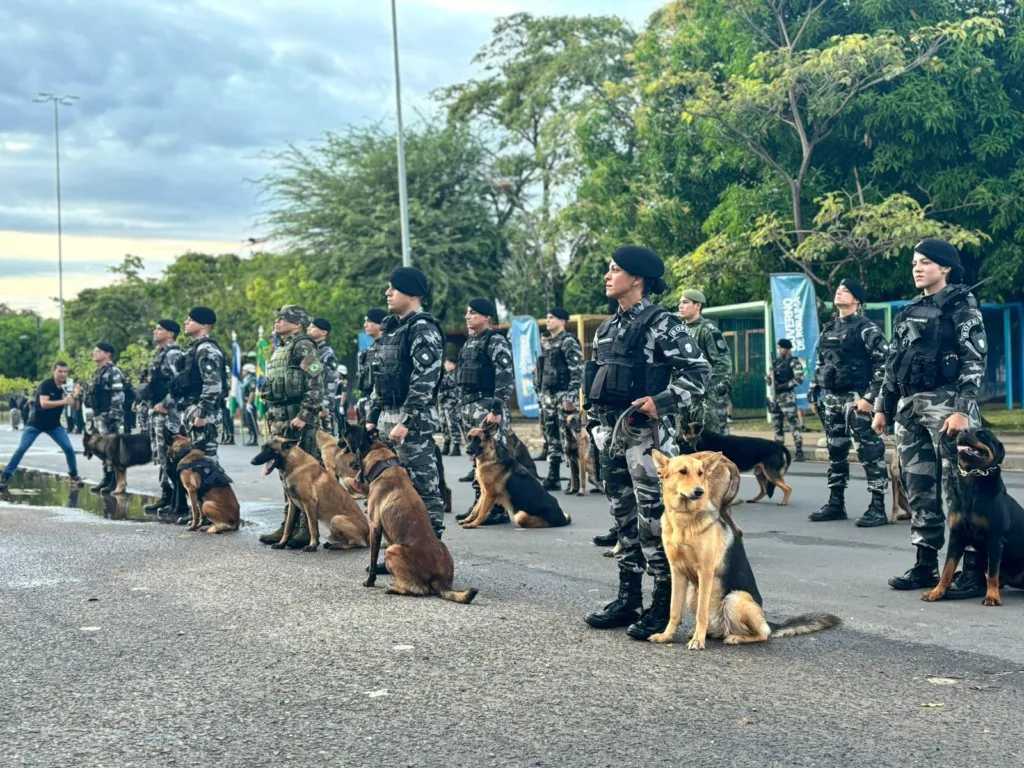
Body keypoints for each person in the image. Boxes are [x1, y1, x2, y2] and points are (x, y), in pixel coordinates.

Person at [583, 245, 710, 640]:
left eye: (615, 269)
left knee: (653, 520)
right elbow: (595, 384)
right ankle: (628, 598)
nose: (607, 275)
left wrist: (662, 401)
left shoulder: (662, 323)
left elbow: (699, 372)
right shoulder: (607, 328)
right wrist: (591, 428)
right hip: (611, 436)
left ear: (636, 279)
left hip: (647, 440)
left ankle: (662, 602)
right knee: (623, 520)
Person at [873, 238, 988, 597]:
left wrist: (961, 410)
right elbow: (894, 363)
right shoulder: (909, 310)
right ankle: (925, 563)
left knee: (961, 489)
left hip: (948, 407)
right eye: (914, 263)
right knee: (917, 485)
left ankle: (971, 571)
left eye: (925, 262)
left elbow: (974, 362)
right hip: (909, 409)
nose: (917, 269)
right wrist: (882, 405)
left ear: (945, 268)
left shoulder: (962, 307)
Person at [365, 267, 447, 539]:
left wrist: (406, 421)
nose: (388, 293)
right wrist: (372, 415)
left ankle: (432, 550)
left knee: (423, 487)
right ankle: (401, 548)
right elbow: (381, 376)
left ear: (412, 294)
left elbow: (425, 379)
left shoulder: (422, 328)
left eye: (394, 288)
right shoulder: (394, 329)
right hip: (388, 417)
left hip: (411, 422)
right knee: (392, 488)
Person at [808, 280, 890, 525]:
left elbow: (885, 364)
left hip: (858, 400)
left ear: (857, 300)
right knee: (836, 452)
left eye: (846, 290)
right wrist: (814, 391)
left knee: (870, 453)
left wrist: (870, 398)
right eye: (838, 289)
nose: (839, 292)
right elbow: (822, 363)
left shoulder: (866, 328)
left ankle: (878, 507)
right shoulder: (829, 328)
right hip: (833, 399)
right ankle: (836, 503)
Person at [257, 305, 325, 548]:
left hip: (298, 421)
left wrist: (305, 415)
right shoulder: (282, 348)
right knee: (287, 476)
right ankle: (289, 523)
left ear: (297, 324)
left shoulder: (303, 345)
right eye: (277, 318)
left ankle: (307, 529)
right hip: (280, 418)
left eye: (283, 319)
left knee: (305, 477)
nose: (277, 322)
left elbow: (316, 382)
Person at [454, 297, 515, 524]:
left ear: (486, 317)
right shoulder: (470, 343)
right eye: (467, 312)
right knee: (476, 460)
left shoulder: (495, 340)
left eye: (473, 313)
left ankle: (497, 509)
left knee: (495, 459)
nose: (468, 316)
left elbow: (505, 374)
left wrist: (497, 408)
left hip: (487, 406)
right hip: (469, 406)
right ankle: (480, 504)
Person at [0, 362, 82, 491]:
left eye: (65, 372)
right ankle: (6, 474)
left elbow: (75, 407)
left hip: (54, 425)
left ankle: (73, 474)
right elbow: (44, 403)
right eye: (59, 371)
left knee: (68, 448)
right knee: (22, 448)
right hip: (36, 423)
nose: (62, 374)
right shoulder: (46, 384)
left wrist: (76, 396)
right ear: (53, 371)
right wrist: (64, 401)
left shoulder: (66, 388)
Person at [139, 319, 184, 513]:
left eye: (160, 329)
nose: (155, 331)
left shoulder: (174, 354)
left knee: (170, 456)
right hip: (156, 411)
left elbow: (179, 383)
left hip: (169, 414)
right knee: (161, 456)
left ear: (171, 333)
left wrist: (166, 404)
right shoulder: (159, 354)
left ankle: (178, 501)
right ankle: (166, 496)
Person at [538, 307, 584, 491]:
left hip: (564, 396)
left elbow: (577, 370)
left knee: (568, 439)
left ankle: (576, 480)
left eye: (551, 318)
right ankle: (553, 475)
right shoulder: (548, 343)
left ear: (562, 321)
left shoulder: (568, 342)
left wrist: (571, 397)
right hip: (548, 397)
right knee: (551, 437)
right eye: (547, 317)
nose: (547, 320)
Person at [677, 289, 732, 435]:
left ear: (698, 306)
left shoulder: (708, 330)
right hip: (681, 394)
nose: (680, 306)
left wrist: (705, 386)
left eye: (685, 302)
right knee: (682, 439)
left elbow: (724, 363)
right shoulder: (678, 331)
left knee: (707, 440)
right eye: (680, 302)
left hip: (702, 399)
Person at [84, 343, 125, 494]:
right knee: (101, 449)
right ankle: (107, 478)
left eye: (98, 351)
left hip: (109, 415)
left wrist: (115, 416)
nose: (94, 353)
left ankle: (114, 480)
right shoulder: (98, 372)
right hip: (98, 414)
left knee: (111, 450)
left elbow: (118, 395)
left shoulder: (113, 371)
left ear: (107, 354)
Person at [767, 339, 806, 461]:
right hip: (775, 397)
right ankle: (778, 452)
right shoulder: (775, 362)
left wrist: (783, 386)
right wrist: (769, 378)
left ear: (787, 349)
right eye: (778, 348)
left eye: (781, 348)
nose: (779, 350)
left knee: (793, 425)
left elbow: (799, 379)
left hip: (787, 397)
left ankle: (799, 451)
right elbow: (769, 382)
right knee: (777, 426)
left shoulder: (794, 362)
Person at [307, 317, 340, 435]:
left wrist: (324, 407)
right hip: (310, 406)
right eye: (309, 326)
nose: (308, 329)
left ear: (323, 332)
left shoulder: (326, 353)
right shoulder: (310, 351)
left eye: (313, 327)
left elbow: (330, 382)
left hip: (322, 409)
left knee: (325, 446)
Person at [355, 308, 387, 423]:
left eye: (369, 321)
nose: (365, 325)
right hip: (369, 405)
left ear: (381, 324)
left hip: (385, 409)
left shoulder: (390, 348)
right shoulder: (369, 351)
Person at [438, 359, 462, 456]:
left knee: (453, 425)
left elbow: (458, 390)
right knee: (443, 425)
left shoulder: (456, 375)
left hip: (451, 403)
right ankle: (446, 445)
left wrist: (445, 393)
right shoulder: (443, 375)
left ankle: (456, 446)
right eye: (445, 363)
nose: (447, 365)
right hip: (442, 404)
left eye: (449, 363)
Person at [241, 363, 259, 445]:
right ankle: (251, 437)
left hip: (250, 403)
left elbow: (252, 392)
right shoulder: (246, 380)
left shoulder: (252, 380)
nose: (242, 371)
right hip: (245, 402)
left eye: (244, 370)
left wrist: (249, 403)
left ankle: (254, 439)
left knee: (251, 421)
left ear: (248, 371)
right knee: (247, 421)